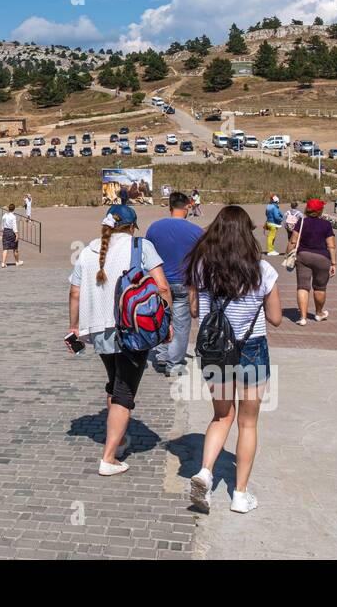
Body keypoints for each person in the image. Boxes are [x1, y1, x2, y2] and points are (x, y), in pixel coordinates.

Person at [186, 206, 282, 515]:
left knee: (221, 416)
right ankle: (240, 495)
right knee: (248, 422)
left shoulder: (202, 268)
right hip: (252, 349)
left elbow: (194, 312)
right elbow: (276, 318)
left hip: (216, 351)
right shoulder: (262, 270)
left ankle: (205, 471)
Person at [66, 205, 171, 476]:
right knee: (125, 392)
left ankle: (120, 440)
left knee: (115, 384)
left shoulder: (87, 251)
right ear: (132, 226)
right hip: (132, 329)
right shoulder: (140, 246)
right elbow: (161, 286)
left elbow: (75, 293)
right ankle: (108, 458)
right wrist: (166, 321)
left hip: (98, 330)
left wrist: (74, 326)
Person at [145, 191, 203, 376]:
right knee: (181, 325)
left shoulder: (154, 228)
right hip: (183, 283)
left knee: (161, 318)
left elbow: (147, 254)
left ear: (170, 207)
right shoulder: (196, 231)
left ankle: (161, 356)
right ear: (187, 207)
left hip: (159, 282)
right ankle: (174, 363)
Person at [288, 198, 336, 325]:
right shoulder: (326, 225)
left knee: (303, 286)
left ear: (307, 209)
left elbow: (293, 241)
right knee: (320, 287)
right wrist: (334, 263)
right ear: (320, 210)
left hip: (303, 256)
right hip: (322, 258)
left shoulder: (301, 222)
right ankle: (319, 313)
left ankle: (303, 317)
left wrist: (288, 254)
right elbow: (331, 246)